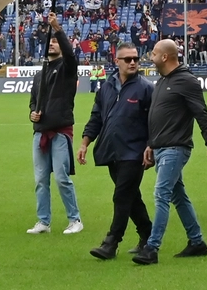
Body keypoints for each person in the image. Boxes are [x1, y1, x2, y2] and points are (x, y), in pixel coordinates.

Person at [132, 39, 207, 265]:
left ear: (164, 57)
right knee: (178, 196)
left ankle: (152, 248)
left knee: (161, 194)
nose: (149, 57)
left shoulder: (186, 80)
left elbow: (202, 114)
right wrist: (151, 144)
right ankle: (197, 242)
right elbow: (159, 117)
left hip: (175, 148)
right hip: (161, 147)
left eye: (153, 53)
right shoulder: (162, 81)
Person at [79, 42, 154, 260]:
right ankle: (147, 234)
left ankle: (111, 242)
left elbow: (154, 122)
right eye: (127, 59)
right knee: (131, 197)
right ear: (117, 61)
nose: (133, 63)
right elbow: (96, 118)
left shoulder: (147, 88)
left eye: (135, 59)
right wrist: (85, 143)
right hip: (111, 151)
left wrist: (151, 147)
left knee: (121, 196)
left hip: (135, 152)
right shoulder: (106, 87)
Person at [28, 13, 83, 235]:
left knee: (61, 178)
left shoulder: (67, 68)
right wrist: (32, 113)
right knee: (41, 180)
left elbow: (70, 55)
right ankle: (43, 221)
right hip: (40, 132)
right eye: (48, 41)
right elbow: (33, 102)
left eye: (55, 41)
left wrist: (57, 29)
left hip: (60, 131)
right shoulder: (39, 75)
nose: (51, 44)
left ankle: (75, 219)